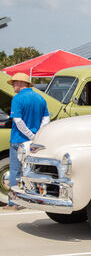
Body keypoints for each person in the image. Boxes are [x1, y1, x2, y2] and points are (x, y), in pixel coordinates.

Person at [3, 73, 49, 210]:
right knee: (33, 171)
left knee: (15, 172)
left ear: (21, 83)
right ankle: (36, 200)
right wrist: (36, 135)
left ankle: (14, 202)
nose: (13, 86)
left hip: (19, 140)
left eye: (14, 83)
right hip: (35, 142)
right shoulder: (40, 98)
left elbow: (17, 120)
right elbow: (46, 119)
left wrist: (29, 134)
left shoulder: (17, 98)